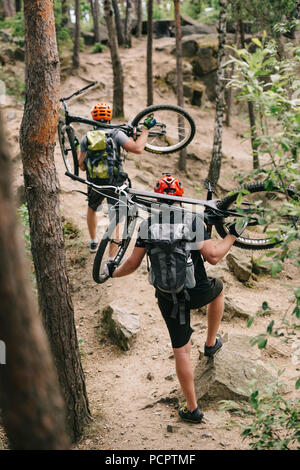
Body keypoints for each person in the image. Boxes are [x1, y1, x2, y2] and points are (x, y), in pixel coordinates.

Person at [105, 174, 247, 424]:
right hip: (199, 290)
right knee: (219, 288)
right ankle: (211, 343)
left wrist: (112, 274)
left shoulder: (147, 225)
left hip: (169, 298)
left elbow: (132, 264)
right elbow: (213, 256)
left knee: (181, 348)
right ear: (180, 198)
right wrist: (232, 236)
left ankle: (192, 409)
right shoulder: (192, 219)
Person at [77, 102, 156, 252]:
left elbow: (81, 166)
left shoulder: (86, 138)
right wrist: (145, 129)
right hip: (116, 183)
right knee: (116, 220)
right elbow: (138, 149)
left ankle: (93, 242)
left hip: (95, 183)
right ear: (109, 118)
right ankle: (111, 260)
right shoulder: (116, 133)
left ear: (93, 117)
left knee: (92, 208)